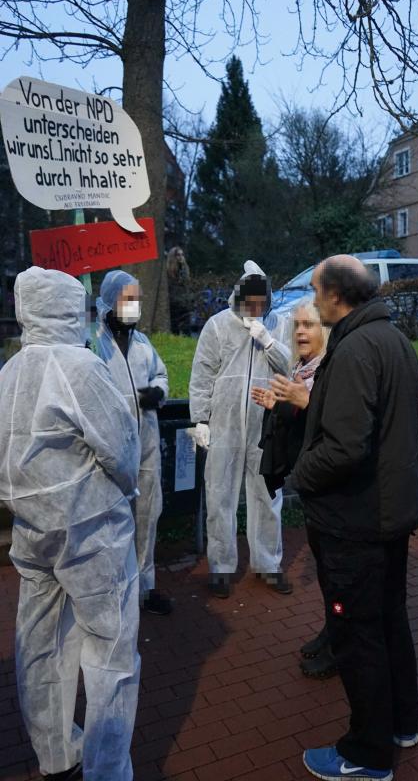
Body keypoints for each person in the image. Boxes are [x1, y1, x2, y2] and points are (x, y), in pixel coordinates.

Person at [0, 267, 141, 781]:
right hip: (92, 531)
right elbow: (122, 447)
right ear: (69, 308)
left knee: (40, 644)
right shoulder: (79, 366)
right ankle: (106, 770)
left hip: (32, 533)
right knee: (110, 651)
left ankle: (56, 752)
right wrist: (126, 491)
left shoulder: (9, 371)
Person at [292, 256, 418, 781]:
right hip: (390, 514)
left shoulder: (353, 350)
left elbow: (344, 447)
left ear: (337, 296)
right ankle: (401, 724)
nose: (313, 299)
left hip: (357, 521)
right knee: (390, 619)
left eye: (316, 290)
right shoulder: (395, 340)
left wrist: (300, 474)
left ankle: (367, 753)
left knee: (356, 633)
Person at [189, 260, 291, 598]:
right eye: (250, 302)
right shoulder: (218, 326)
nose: (255, 308)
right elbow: (202, 375)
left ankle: (268, 564)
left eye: (261, 303)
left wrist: (267, 340)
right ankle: (220, 568)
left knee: (267, 496)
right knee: (220, 496)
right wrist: (200, 419)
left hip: (266, 427)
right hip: (225, 426)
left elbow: (290, 368)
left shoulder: (278, 324)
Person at [251, 300, 336, 679]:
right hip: (313, 488)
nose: (301, 332)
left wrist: (305, 401)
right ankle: (332, 629)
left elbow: (333, 425)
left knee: (336, 572)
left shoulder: (329, 373)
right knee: (326, 569)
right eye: (298, 325)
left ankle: (340, 644)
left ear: (326, 331)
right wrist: (278, 403)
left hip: (332, 491)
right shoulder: (302, 368)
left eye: (310, 325)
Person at [96, 270, 171, 616]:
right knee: (113, 524)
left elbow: (160, 373)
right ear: (111, 300)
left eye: (137, 300)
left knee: (147, 519)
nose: (134, 306)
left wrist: (159, 392)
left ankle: (145, 587)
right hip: (112, 453)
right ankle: (115, 592)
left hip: (148, 447)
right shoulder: (93, 344)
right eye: (128, 299)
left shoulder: (142, 343)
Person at [167, 246, 193, 335]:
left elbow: (186, 282)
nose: (181, 257)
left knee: (187, 328)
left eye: (182, 254)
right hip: (174, 302)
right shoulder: (168, 272)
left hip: (184, 301)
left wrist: (183, 266)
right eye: (178, 255)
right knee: (175, 328)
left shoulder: (184, 269)